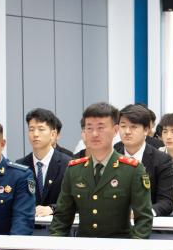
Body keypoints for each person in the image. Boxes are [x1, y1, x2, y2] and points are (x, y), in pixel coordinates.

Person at [49, 102, 153, 239]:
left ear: (115, 130)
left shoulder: (132, 170)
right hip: (84, 247)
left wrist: (131, 249)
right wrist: (54, 244)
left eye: (101, 128)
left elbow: (144, 219)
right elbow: (62, 217)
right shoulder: (74, 169)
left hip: (119, 247)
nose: (94, 134)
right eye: (89, 128)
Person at [115, 104, 173, 216]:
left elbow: (166, 202)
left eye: (133, 127)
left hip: (147, 221)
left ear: (146, 130)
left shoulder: (162, 160)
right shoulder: (110, 156)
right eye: (123, 126)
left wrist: (142, 213)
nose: (127, 131)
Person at [16, 108, 71, 218]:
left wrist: (53, 208)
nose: (35, 134)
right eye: (31, 129)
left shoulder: (68, 164)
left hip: (57, 226)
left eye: (41, 129)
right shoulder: (20, 166)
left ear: (53, 134)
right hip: (28, 226)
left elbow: (76, 200)